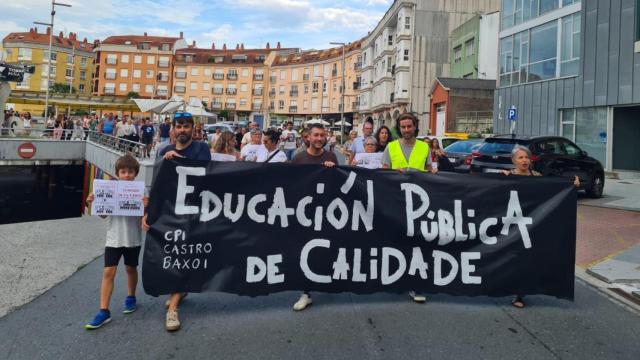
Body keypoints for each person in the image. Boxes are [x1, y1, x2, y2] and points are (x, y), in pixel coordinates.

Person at [143, 112, 211, 332]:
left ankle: (173, 308)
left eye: (186, 126)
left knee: (185, 254)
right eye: (178, 126)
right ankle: (179, 291)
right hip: (169, 211)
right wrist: (148, 212)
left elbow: (208, 175)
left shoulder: (201, 148)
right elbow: (157, 183)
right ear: (172, 128)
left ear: (193, 128)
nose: (182, 130)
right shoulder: (163, 150)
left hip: (193, 210)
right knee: (173, 253)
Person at [500, 145, 579, 309]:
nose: (524, 160)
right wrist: (501, 179)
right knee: (511, 260)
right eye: (520, 158)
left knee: (526, 260)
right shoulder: (507, 177)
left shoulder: (537, 177)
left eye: (526, 157)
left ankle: (519, 294)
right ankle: (508, 289)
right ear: (513, 160)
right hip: (512, 226)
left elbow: (553, 191)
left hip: (532, 226)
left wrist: (572, 185)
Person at [381, 113, 436, 304]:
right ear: (399, 128)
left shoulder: (424, 147)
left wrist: (432, 172)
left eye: (409, 126)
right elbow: (384, 172)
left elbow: (430, 171)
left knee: (417, 244)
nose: (406, 130)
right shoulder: (391, 146)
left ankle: (415, 282)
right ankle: (395, 277)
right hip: (396, 201)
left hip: (420, 204)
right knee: (396, 241)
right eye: (403, 127)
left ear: (415, 127)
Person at [84, 155, 143, 330]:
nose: (126, 175)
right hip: (113, 239)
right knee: (108, 272)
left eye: (130, 172)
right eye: (123, 172)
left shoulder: (141, 192)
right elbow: (102, 215)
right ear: (117, 174)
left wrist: (147, 206)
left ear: (136, 173)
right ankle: (104, 310)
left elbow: (144, 217)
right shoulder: (110, 189)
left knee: (131, 269)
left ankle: (131, 297)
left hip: (133, 238)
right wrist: (90, 204)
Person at [291, 124, 337, 311]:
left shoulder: (331, 157)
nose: (319, 138)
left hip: (327, 211)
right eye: (316, 135)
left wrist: (332, 171)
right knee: (305, 250)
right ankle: (306, 292)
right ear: (308, 138)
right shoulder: (298, 158)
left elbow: (339, 184)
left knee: (326, 247)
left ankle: (327, 279)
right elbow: (291, 185)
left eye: (322, 135)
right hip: (305, 213)